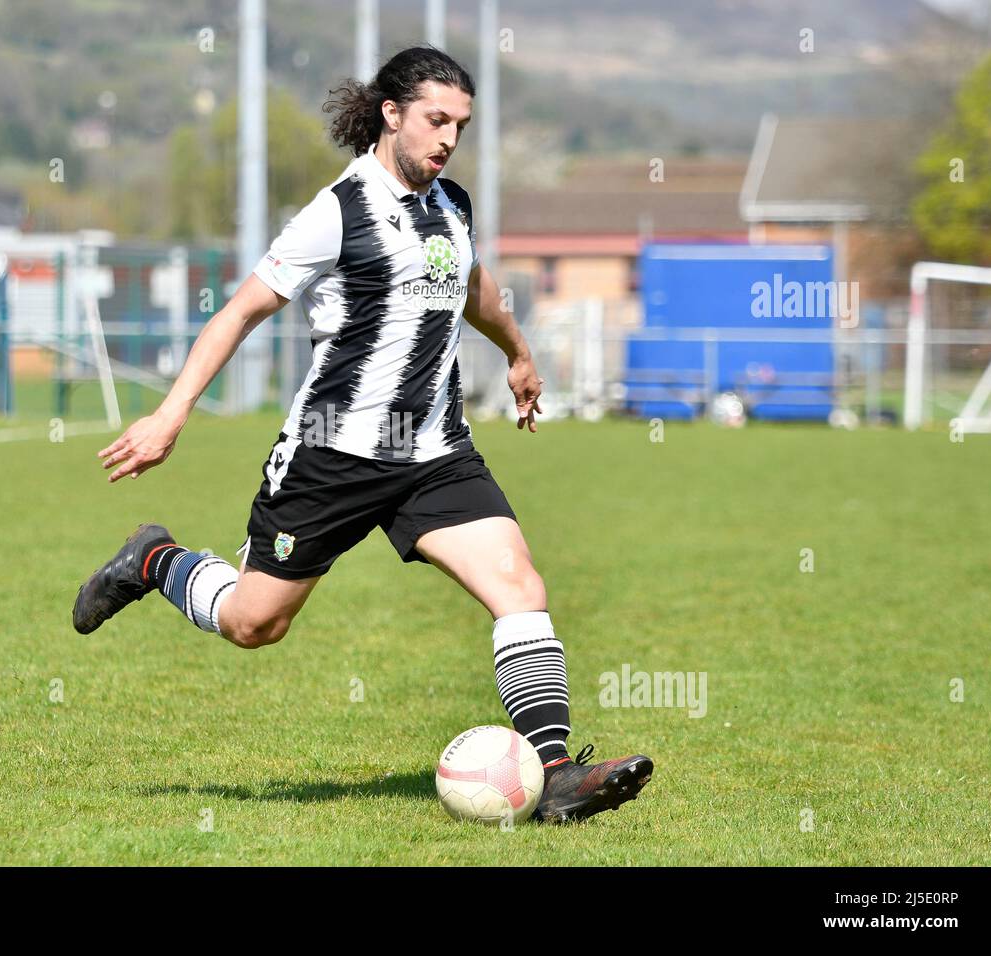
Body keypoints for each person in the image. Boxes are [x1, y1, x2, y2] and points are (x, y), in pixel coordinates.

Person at [72, 47, 653, 823]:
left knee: (520, 587)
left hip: (435, 453)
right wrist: (170, 412)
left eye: (460, 125)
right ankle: (155, 558)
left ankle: (555, 777)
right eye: (435, 120)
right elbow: (240, 311)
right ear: (391, 113)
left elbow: (473, 287)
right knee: (255, 624)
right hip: (330, 454)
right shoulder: (336, 212)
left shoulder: (455, 205)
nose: (448, 138)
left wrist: (517, 351)